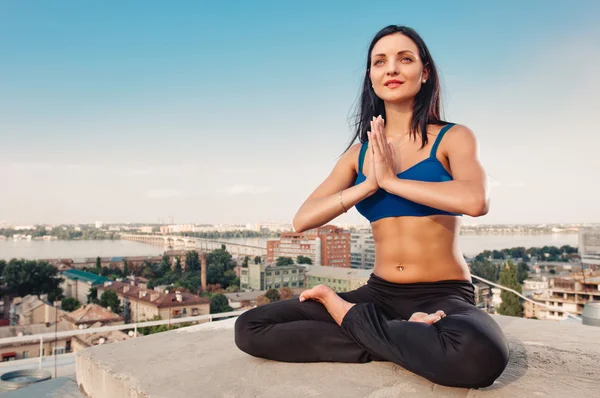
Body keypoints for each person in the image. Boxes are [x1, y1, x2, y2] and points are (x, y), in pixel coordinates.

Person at [235, 25, 509, 389]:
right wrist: (368, 184)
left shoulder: (453, 137)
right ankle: (400, 337)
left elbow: (476, 201)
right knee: (250, 328)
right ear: (371, 77)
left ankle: (351, 318)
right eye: (380, 62)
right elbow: (303, 219)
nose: (391, 69)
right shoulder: (358, 155)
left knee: (479, 353)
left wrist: (393, 182)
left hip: (443, 293)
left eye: (404, 59)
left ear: (425, 72)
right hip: (378, 294)